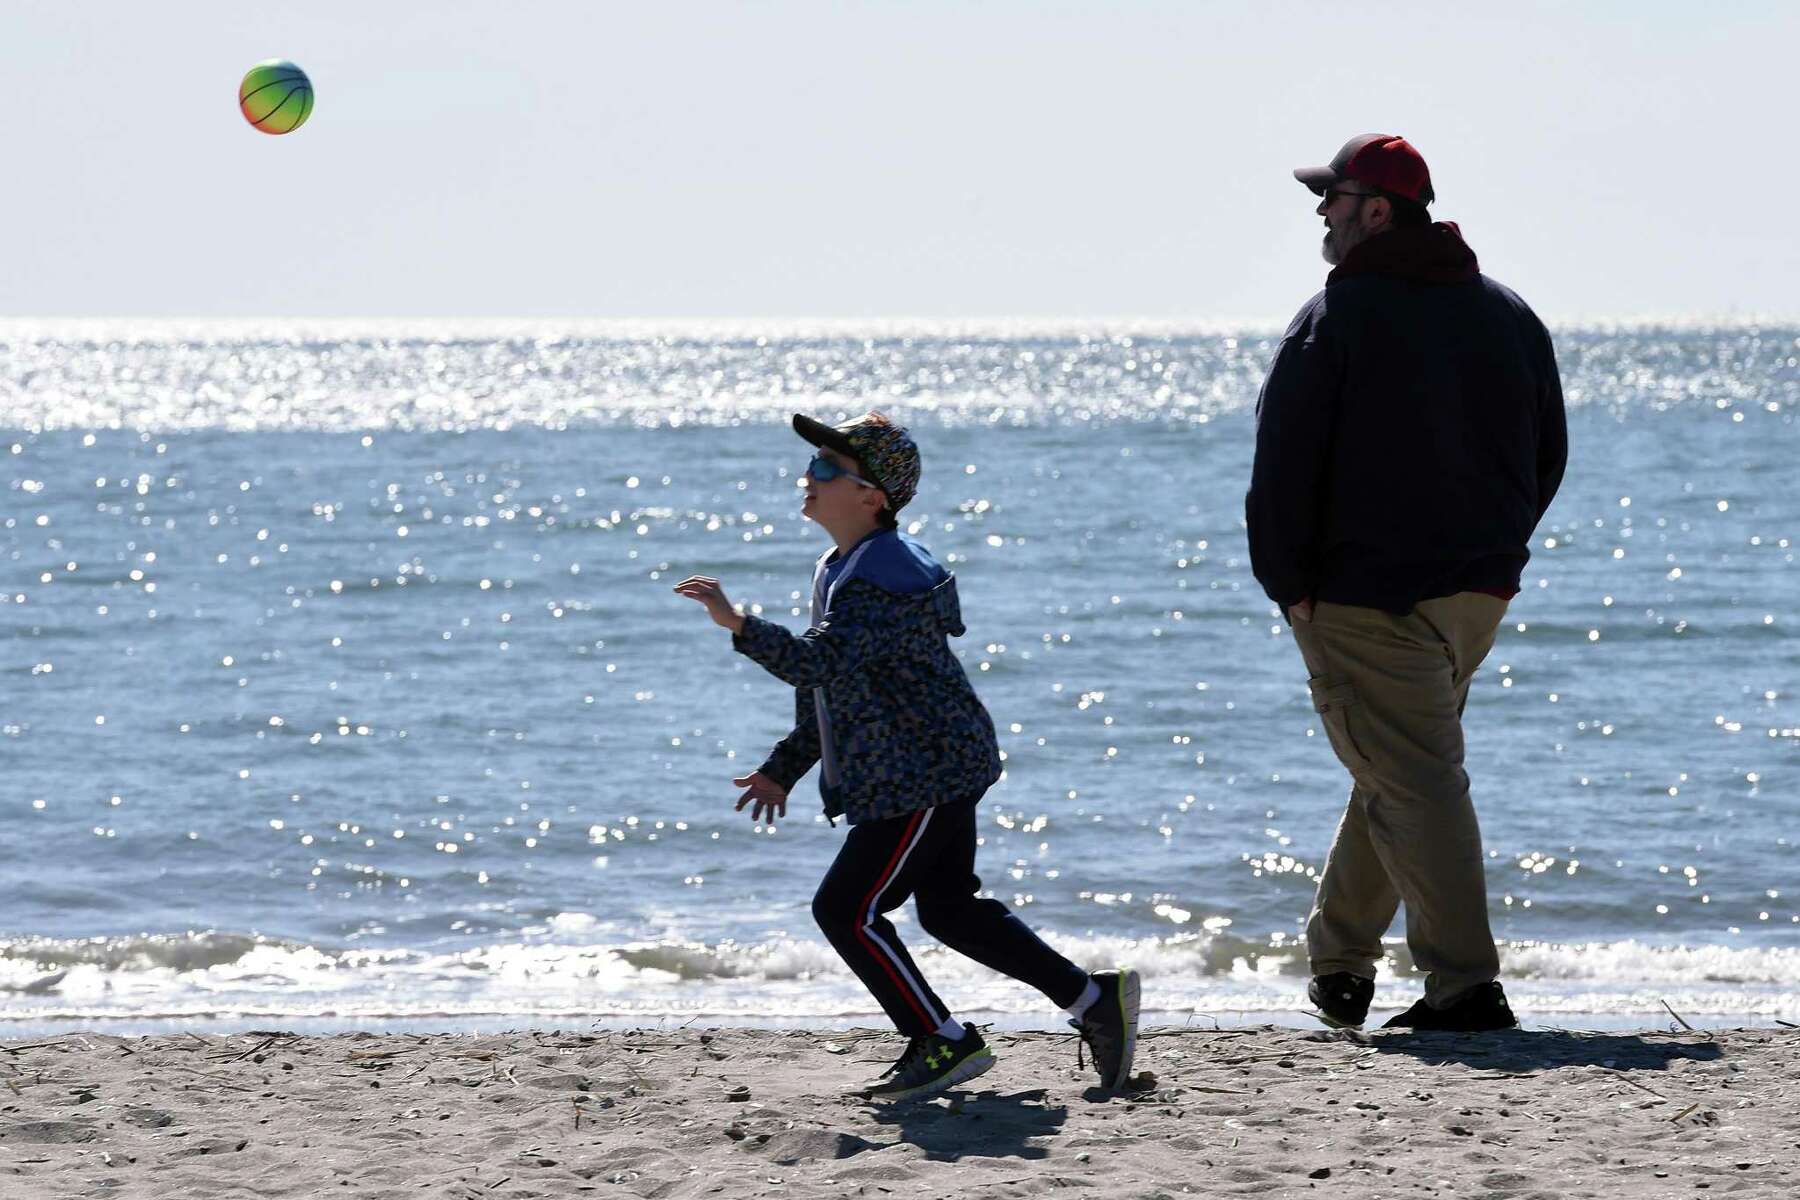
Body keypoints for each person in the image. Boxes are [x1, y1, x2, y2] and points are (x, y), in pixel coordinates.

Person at [675, 412, 1140, 1100]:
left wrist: (741, 625)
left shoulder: (883, 577)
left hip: (924, 772)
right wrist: (785, 766)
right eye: (814, 464)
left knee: (845, 910)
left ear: (872, 496)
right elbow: (834, 687)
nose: (809, 476)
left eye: (829, 468)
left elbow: (816, 662)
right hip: (933, 767)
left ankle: (941, 1042)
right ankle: (1093, 1002)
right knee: (949, 910)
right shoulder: (848, 567)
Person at [1246, 134, 1568, 1032]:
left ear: (1378, 211)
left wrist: (1287, 582)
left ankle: (1466, 985)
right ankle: (1341, 959)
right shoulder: (1509, 313)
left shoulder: (1333, 318)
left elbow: (1282, 466)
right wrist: (1497, 551)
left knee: (1414, 777)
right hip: (1476, 596)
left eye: (1334, 197)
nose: (1322, 211)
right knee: (1400, 768)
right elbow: (1549, 456)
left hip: (1361, 596)